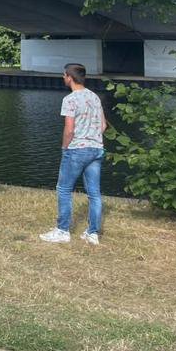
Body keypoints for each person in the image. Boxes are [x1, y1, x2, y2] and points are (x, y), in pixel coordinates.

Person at [40, 63, 107, 245]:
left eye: (64, 75)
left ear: (69, 77)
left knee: (64, 189)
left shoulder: (70, 99)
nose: (63, 78)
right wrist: (92, 138)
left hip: (77, 149)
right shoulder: (94, 97)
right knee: (94, 193)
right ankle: (92, 233)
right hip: (96, 148)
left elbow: (69, 129)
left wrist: (65, 148)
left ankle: (62, 231)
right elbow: (103, 125)